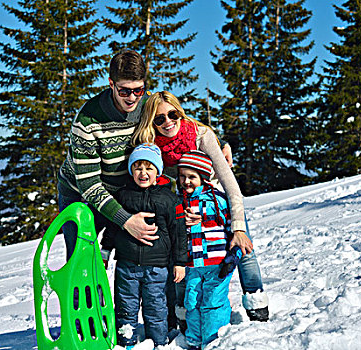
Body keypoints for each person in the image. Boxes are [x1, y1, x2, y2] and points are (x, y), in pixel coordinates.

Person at [58, 51, 233, 260]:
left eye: (138, 90)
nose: (132, 98)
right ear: (111, 83)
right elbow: (89, 185)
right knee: (82, 259)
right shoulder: (87, 121)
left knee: (136, 256)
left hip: (126, 188)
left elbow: (177, 120)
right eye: (124, 91)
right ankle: (82, 292)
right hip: (80, 194)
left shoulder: (147, 103)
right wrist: (125, 220)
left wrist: (219, 142)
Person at [132, 91, 269, 323]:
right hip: (186, 203)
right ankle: (184, 313)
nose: (168, 122)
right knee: (184, 256)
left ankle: (257, 304)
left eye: (172, 114)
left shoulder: (200, 134)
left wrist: (237, 227)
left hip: (217, 197)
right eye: (159, 119)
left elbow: (230, 184)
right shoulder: (152, 146)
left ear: (180, 112)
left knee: (242, 248)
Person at [99, 143, 187, 349]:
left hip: (157, 267)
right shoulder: (122, 196)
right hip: (126, 264)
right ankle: (126, 342)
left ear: (158, 171)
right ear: (131, 170)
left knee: (156, 307)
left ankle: (159, 342)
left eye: (149, 168)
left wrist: (180, 262)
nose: (143, 172)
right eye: (138, 167)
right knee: (125, 306)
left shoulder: (168, 199)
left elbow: (179, 232)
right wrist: (105, 250)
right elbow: (113, 226)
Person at [175, 150, 242, 348]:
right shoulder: (179, 202)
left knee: (212, 301)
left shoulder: (217, 200)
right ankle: (195, 339)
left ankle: (213, 340)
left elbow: (231, 229)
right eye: (182, 176)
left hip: (217, 263)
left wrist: (233, 257)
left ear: (203, 177)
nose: (186, 181)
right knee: (192, 301)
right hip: (193, 264)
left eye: (192, 177)